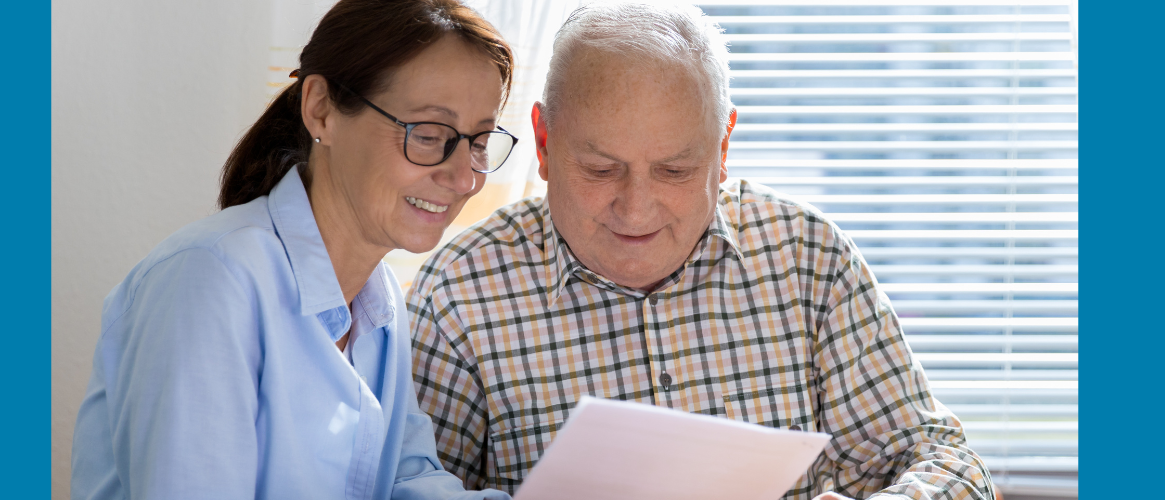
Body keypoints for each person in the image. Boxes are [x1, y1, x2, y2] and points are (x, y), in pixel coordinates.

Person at [406, 3, 995, 500]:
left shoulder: (808, 261)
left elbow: (950, 464)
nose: (636, 210)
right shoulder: (460, 294)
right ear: (542, 141)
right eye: (600, 168)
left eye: (675, 170)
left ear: (723, 148)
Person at [70, 1, 519, 499]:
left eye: (479, 142)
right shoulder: (212, 279)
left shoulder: (379, 299)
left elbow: (408, 480)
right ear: (320, 109)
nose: (463, 177)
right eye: (429, 134)